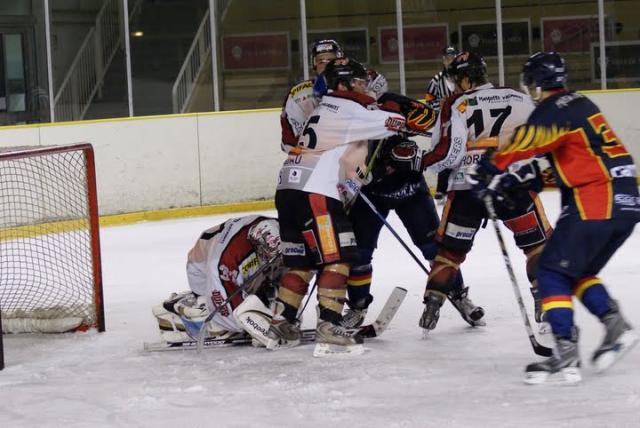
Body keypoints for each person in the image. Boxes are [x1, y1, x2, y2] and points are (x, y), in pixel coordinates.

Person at [473, 51, 640, 384]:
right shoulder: (581, 103)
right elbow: (555, 150)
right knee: (576, 271)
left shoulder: (553, 110)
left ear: (536, 82)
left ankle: (566, 352)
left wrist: (492, 168)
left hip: (595, 200)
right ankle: (614, 325)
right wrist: (511, 178)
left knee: (549, 269)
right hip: (625, 201)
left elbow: (528, 141)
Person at [251, 58, 411, 357]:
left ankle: (281, 322)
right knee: (339, 258)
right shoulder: (351, 108)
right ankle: (330, 325)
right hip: (316, 194)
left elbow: (347, 163)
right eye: (360, 82)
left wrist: (358, 180)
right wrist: (403, 109)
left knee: (301, 263)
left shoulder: (325, 109)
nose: (366, 87)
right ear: (344, 84)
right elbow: (397, 123)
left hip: (288, 190)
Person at [417, 51, 553, 334]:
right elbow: (544, 135)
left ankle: (433, 303)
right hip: (513, 183)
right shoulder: (518, 97)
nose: (455, 86)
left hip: (467, 189)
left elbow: (449, 153)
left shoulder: (456, 103)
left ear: (466, 80)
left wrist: (421, 164)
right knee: (537, 246)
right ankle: (545, 299)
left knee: (449, 254)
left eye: (457, 80)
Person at [343, 134, 486, 330]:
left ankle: (458, 295)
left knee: (435, 249)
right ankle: (357, 307)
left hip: (412, 194)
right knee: (360, 253)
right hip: (370, 194)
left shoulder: (409, 155)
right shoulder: (362, 135)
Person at [152, 216, 284, 345]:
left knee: (268, 296)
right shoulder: (224, 261)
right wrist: (255, 326)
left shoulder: (277, 228)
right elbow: (227, 312)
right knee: (222, 327)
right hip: (201, 271)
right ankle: (177, 312)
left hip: (233, 262)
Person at [425, 45, 459, 205]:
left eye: (452, 57)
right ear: (443, 60)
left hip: (463, 122)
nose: (450, 60)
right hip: (445, 124)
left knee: (463, 154)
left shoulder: (463, 77)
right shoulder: (437, 80)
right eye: (447, 58)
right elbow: (429, 99)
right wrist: (441, 108)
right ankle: (441, 189)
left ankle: (460, 188)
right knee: (445, 153)